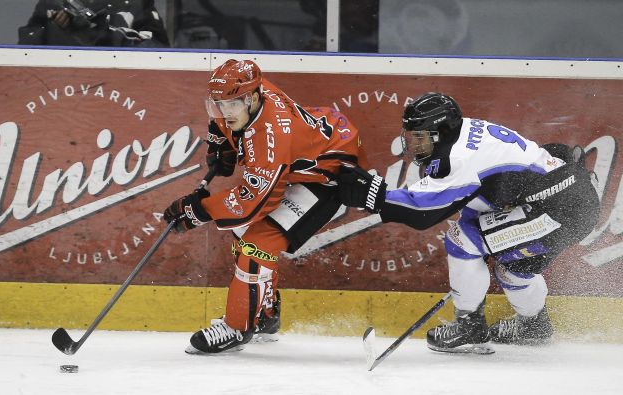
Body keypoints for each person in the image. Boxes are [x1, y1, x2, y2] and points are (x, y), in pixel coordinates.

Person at [337, 92, 600, 353]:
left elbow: (423, 212)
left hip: (557, 209)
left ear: (441, 131)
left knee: (461, 240)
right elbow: (483, 194)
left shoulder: (459, 158)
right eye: (411, 136)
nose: (414, 145)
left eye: (421, 137)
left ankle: (469, 326)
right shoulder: (461, 134)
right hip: (570, 203)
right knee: (513, 269)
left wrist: (372, 195)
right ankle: (534, 327)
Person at [163, 59, 369, 354]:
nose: (225, 111)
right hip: (305, 157)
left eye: (231, 105)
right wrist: (221, 141)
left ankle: (237, 327)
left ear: (252, 98)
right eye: (218, 104)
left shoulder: (270, 139)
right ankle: (265, 313)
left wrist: (198, 210)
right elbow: (228, 118)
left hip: (331, 175)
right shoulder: (251, 93)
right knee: (241, 233)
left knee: (257, 244)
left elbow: (253, 203)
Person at [18, 0, 169, 47]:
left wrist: (90, 31)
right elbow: (24, 51)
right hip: (58, 89)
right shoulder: (53, 3)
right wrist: (54, 25)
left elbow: (159, 55)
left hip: (119, 91)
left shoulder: (135, 5)